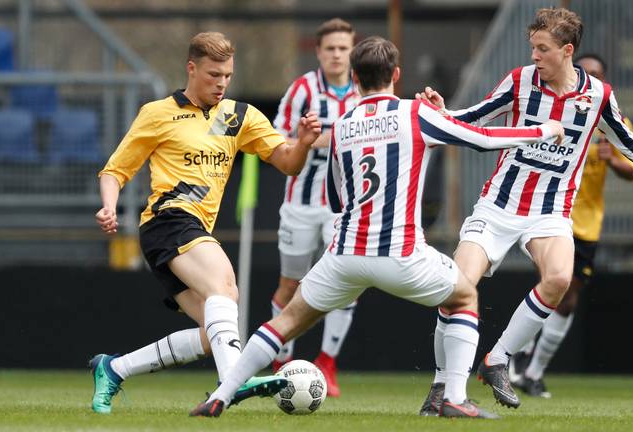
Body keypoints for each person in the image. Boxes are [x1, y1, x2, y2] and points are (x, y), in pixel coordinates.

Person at [189, 35, 565, 419]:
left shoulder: (341, 126)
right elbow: (482, 139)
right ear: (396, 75)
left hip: (344, 255)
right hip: (401, 254)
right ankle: (453, 396)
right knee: (464, 297)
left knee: (284, 322)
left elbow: (337, 200)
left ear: (354, 77)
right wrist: (543, 131)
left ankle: (221, 394)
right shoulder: (414, 113)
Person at [417, 7, 633, 410]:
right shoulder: (519, 81)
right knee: (458, 291)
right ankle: (441, 385)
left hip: (550, 211)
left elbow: (628, 143)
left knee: (558, 279)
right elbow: (474, 119)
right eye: (532, 47)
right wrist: (442, 112)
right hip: (498, 206)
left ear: (567, 50)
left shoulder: (597, 95)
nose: (533, 56)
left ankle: (498, 359)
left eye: (542, 48)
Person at [90, 31, 322, 414]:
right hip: (169, 220)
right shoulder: (158, 113)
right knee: (225, 288)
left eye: (228, 76)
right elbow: (114, 170)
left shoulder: (239, 116)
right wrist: (109, 206)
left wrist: (303, 142)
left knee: (213, 331)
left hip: (191, 231)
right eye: (214, 75)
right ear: (191, 68)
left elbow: (286, 162)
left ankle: (114, 368)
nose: (222, 83)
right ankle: (233, 382)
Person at [507, 53, 633, 398]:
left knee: (566, 299)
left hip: (585, 225)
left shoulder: (615, 122)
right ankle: (512, 358)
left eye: (597, 74)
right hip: (549, 213)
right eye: (585, 71)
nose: (590, 78)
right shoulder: (558, 113)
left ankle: (530, 370)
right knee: (551, 285)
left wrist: (614, 162)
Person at [270, 18, 360, 397]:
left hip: (345, 208)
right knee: (291, 284)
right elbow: (276, 139)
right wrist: (318, 141)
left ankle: (328, 362)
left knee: (346, 284)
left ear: (352, 51)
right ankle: (281, 361)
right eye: (330, 48)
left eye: (343, 48)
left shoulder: (364, 90)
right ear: (319, 52)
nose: (337, 54)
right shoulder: (303, 89)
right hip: (301, 203)